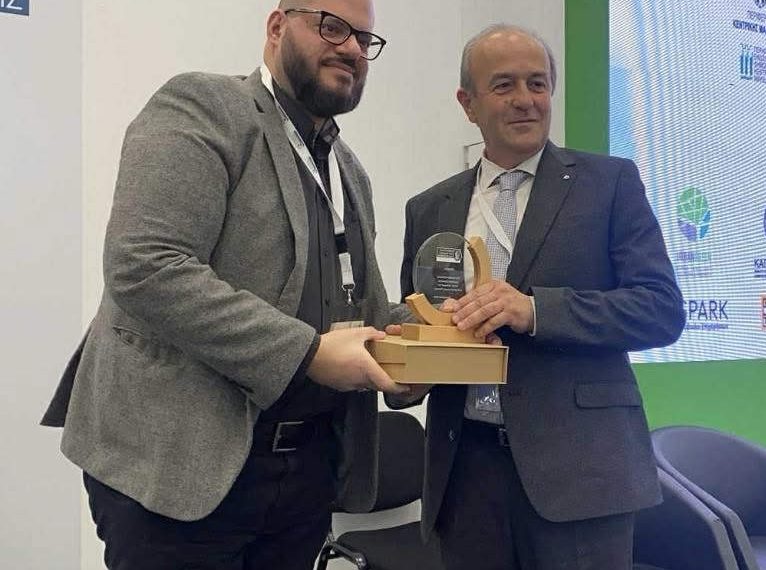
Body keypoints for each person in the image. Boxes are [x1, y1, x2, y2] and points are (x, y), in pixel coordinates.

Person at [40, 1, 410, 568]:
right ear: (277, 26)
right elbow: (147, 264)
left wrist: (425, 338)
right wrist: (308, 353)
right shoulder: (203, 106)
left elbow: (357, 307)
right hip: (181, 470)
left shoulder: (349, 170)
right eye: (332, 27)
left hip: (306, 473)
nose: (352, 49)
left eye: (364, 39)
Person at [392, 24, 685, 570]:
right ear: (467, 103)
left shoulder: (610, 184)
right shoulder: (429, 208)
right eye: (504, 85)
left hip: (581, 475)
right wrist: (406, 373)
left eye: (538, 83)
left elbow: (660, 309)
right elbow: (417, 319)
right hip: (465, 474)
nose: (525, 99)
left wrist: (535, 310)